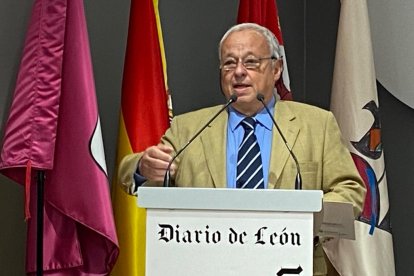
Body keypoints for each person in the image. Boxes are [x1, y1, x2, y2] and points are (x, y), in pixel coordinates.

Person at [118, 23, 365, 275]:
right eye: (229, 63)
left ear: (276, 69)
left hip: (292, 265)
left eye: (251, 62)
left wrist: (304, 217)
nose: (238, 72)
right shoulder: (189, 128)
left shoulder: (317, 125)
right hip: (206, 266)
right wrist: (142, 167)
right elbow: (127, 175)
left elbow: (350, 189)